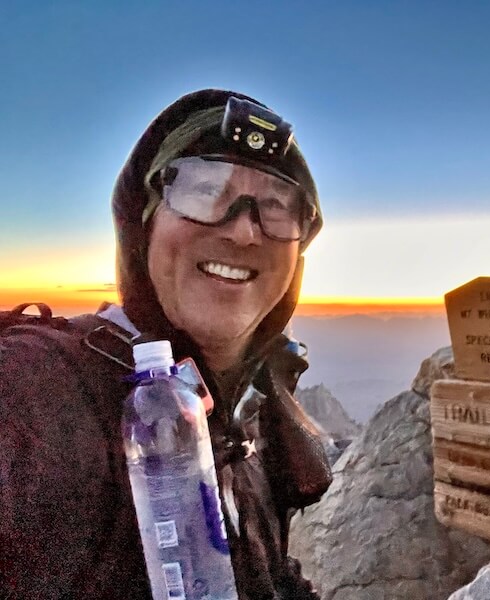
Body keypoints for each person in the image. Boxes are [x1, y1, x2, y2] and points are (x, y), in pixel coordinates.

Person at [0, 89, 332, 599]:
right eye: (203, 190)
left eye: (276, 206)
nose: (245, 231)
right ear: (144, 224)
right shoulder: (42, 386)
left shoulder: (253, 407)